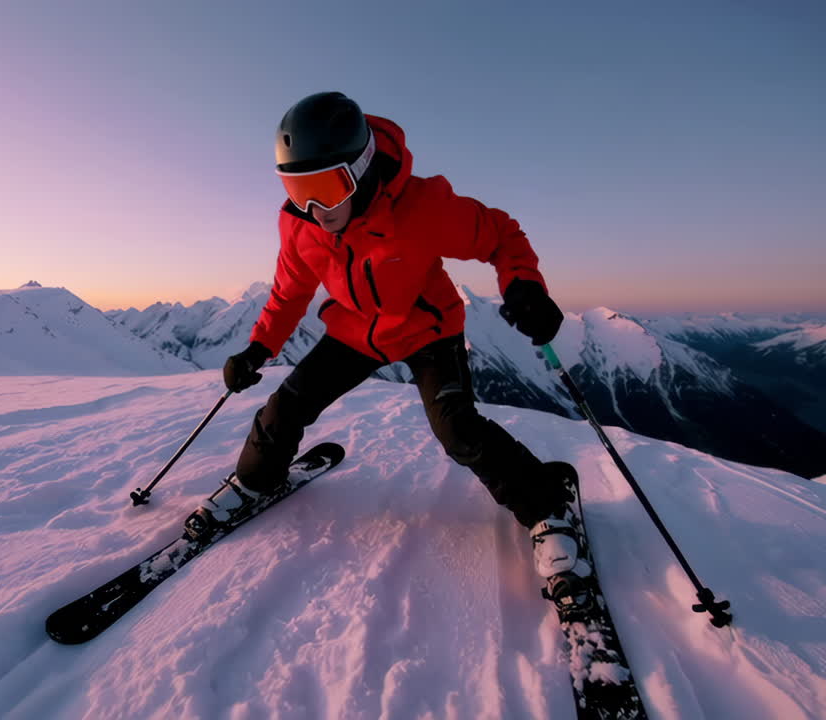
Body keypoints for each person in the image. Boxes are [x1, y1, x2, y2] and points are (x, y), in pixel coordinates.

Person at [221, 91, 573, 529]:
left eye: (327, 188)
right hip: (354, 331)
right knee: (284, 408)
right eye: (296, 189)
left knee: (457, 429)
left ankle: (546, 506)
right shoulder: (300, 224)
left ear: (363, 168)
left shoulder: (422, 208)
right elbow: (289, 292)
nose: (314, 209)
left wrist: (523, 284)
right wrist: (258, 348)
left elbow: (500, 235)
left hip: (428, 329)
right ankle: (255, 482)